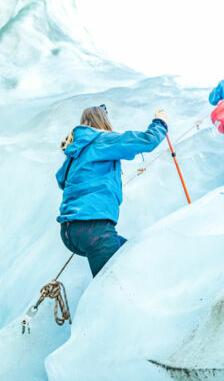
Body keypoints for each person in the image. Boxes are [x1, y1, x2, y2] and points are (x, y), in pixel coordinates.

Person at [56, 105, 169, 276]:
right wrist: (160, 122)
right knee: (113, 283)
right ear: (104, 121)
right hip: (94, 228)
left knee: (129, 253)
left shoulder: (74, 154)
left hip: (69, 231)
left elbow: (61, 180)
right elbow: (148, 140)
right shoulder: (102, 139)